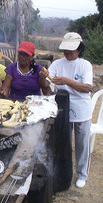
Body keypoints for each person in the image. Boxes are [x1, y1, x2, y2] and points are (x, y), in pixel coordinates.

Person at [45, 32, 93, 188]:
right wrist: (44, 77)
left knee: (82, 143)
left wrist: (66, 81)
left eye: (71, 50)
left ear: (79, 49)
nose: (67, 53)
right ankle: (62, 172)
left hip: (82, 108)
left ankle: (82, 174)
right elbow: (47, 81)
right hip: (62, 108)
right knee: (63, 142)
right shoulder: (58, 64)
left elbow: (87, 88)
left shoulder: (85, 65)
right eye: (65, 50)